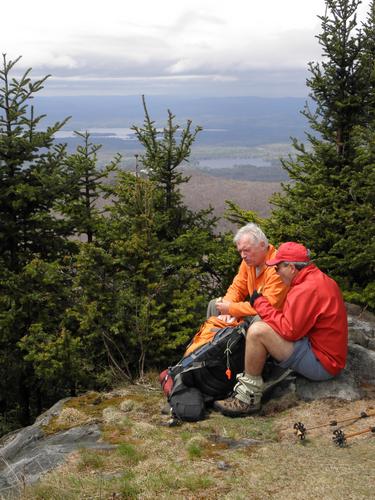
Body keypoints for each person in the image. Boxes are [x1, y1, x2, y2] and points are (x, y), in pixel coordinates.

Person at [214, 242, 348, 418]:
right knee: (265, 324)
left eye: (278, 267)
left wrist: (260, 303)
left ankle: (247, 399)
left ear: (291, 267)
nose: (275, 271)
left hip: (323, 363)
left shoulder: (305, 289)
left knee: (257, 332)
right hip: (322, 350)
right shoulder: (316, 279)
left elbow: (289, 330)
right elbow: (293, 323)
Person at [207, 223, 288, 324]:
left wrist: (231, 308)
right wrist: (227, 306)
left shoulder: (277, 266)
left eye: (246, 250)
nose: (243, 256)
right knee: (215, 304)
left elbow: (269, 306)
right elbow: (237, 288)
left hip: (278, 319)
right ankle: (211, 337)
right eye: (240, 251)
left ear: (262, 245)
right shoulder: (248, 262)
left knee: (259, 319)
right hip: (256, 309)